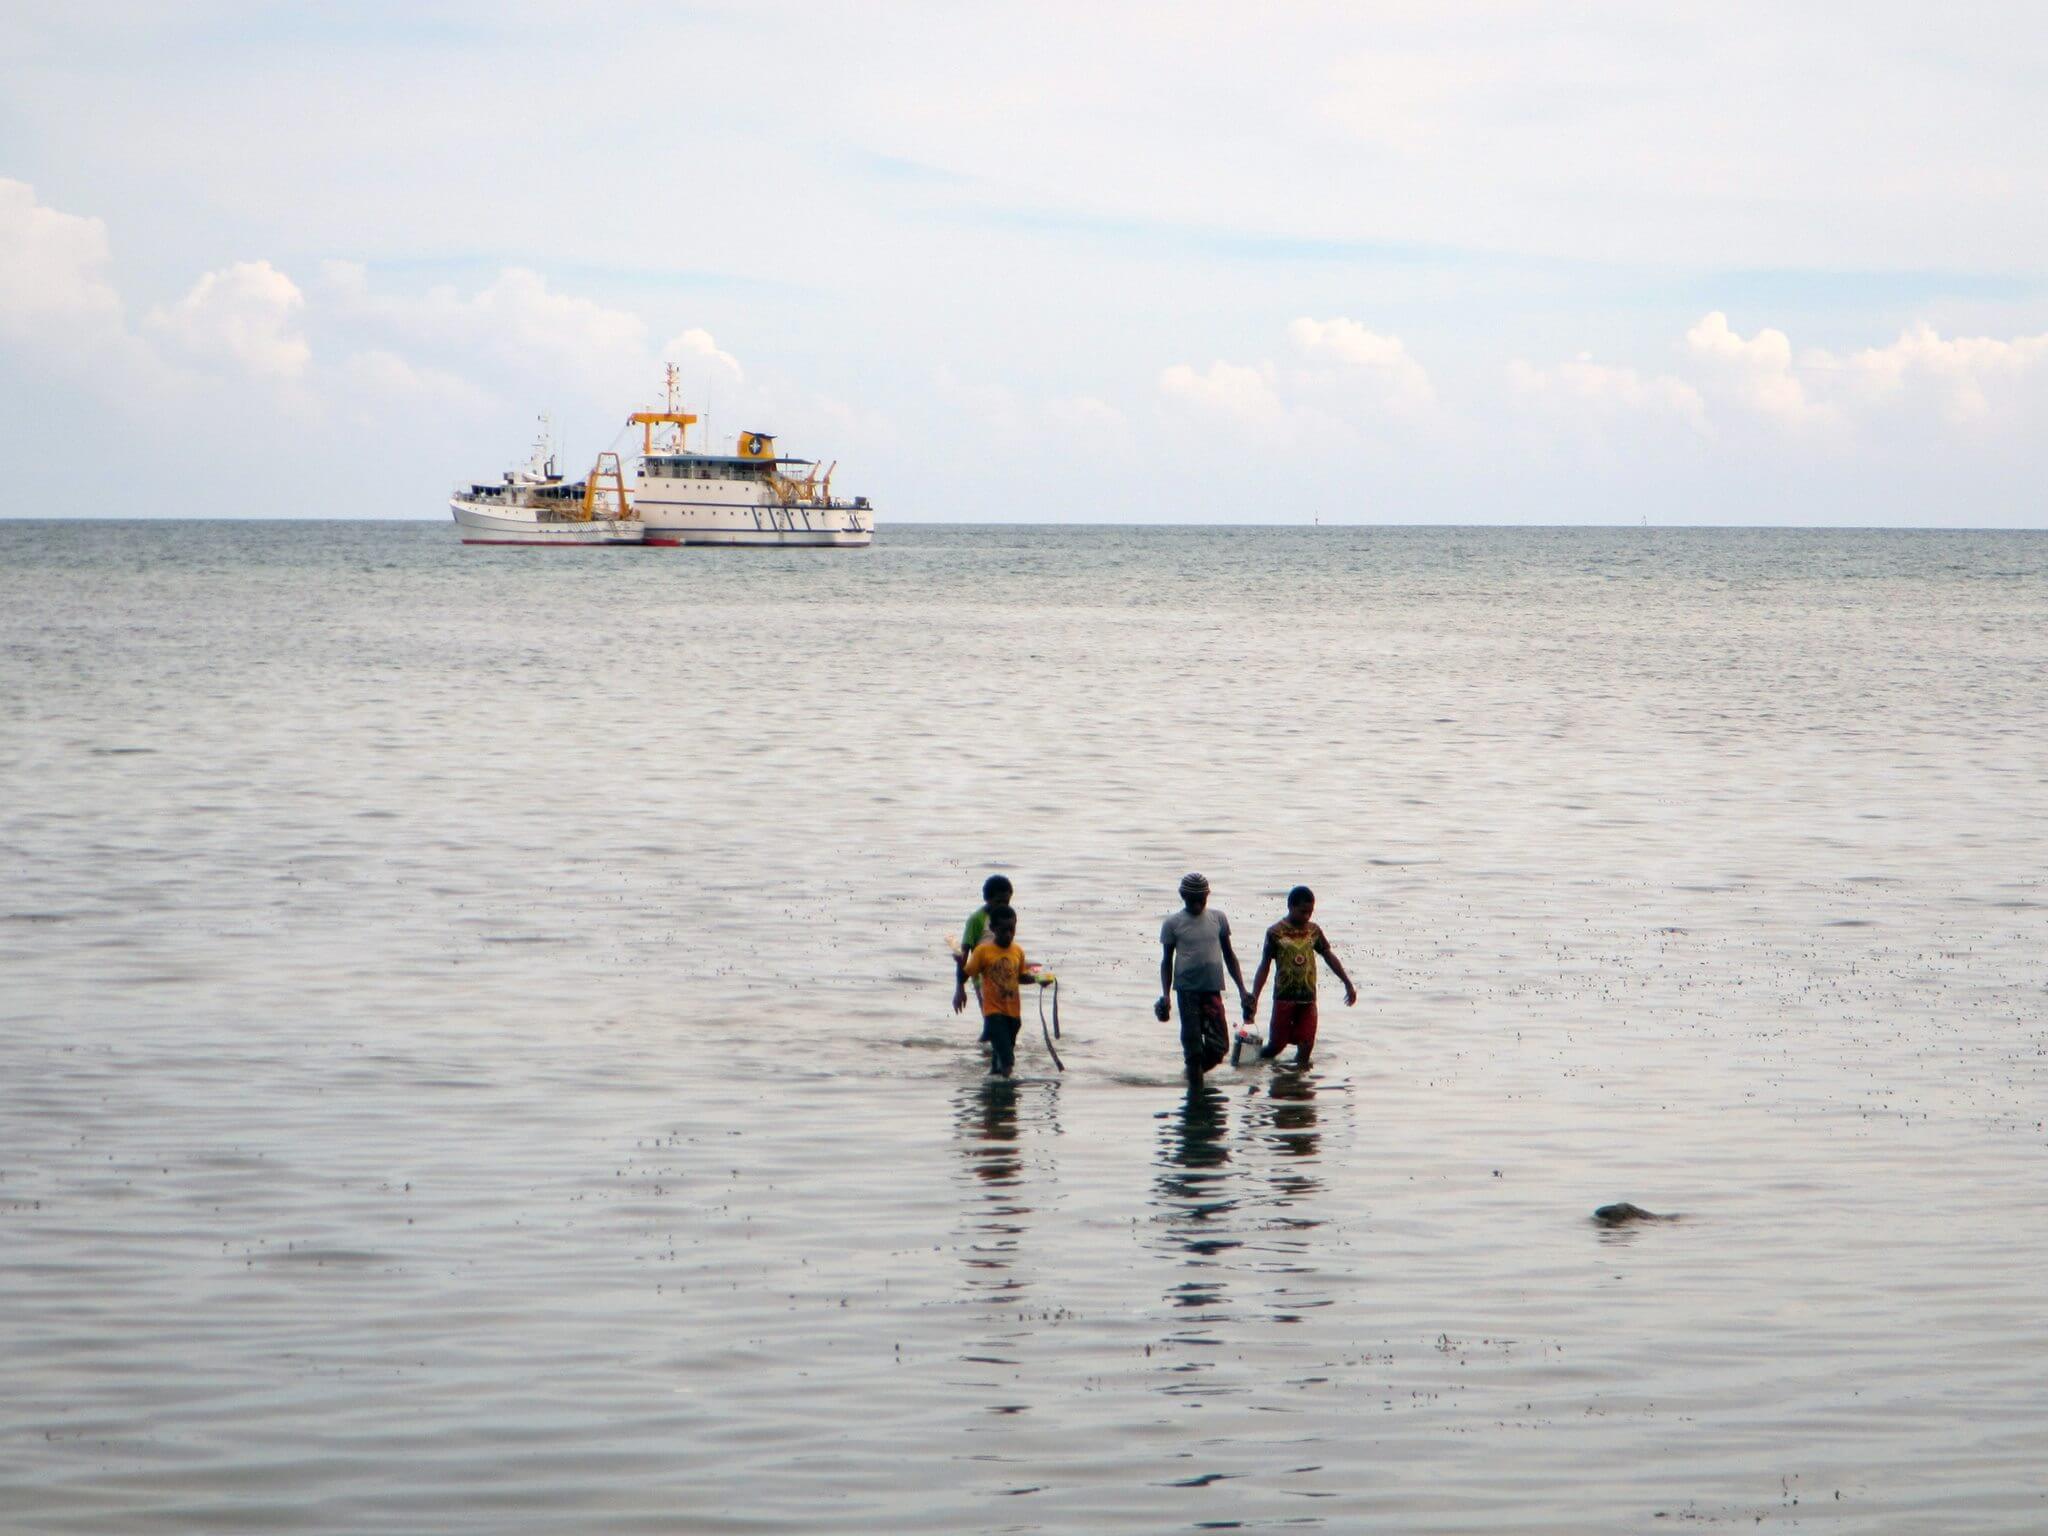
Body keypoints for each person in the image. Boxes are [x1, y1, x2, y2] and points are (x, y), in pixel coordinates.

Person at [1244, 885, 1357, 1069]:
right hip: (1284, 998)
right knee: (1276, 1046)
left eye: (1310, 912)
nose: (1307, 916)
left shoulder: (1314, 931)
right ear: (1290, 906)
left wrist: (1347, 983)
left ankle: (1298, 1080)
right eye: (1303, 911)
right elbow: (1264, 966)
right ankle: (1250, 1063)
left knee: (1306, 1046)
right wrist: (1254, 996)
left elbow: (1328, 956)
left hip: (1308, 998)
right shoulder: (1275, 932)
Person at [1156, 872, 1250, 1081]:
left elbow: (1229, 956)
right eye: (1192, 900)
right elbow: (1166, 962)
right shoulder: (1173, 923)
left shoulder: (1218, 919)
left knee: (1220, 1048)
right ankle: (1194, 1078)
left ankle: (1191, 1076)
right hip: (1187, 992)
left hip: (1212, 990)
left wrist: (1243, 990)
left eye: (1201, 900)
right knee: (1193, 1049)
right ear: (1183, 896)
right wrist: (1166, 995)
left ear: (1207, 896)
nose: (1197, 905)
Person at [959, 903, 1028, 1078]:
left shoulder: (1018, 951)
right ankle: (1008, 1085)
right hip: (993, 1012)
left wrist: (1039, 980)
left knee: (1001, 1053)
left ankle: (993, 1081)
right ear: (993, 929)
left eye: (1011, 930)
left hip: (1013, 1013)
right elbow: (967, 973)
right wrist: (960, 980)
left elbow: (1021, 977)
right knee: (1007, 1058)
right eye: (1004, 930)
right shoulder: (983, 951)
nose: (1008, 934)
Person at [953, 874, 1014, 1016]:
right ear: (987, 899)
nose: (1003, 906)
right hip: (983, 978)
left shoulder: (1008, 917)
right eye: (999, 902)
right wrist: (960, 988)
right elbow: (963, 956)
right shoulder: (976, 920)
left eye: (1007, 902)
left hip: (1005, 976)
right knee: (992, 1017)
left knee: (1008, 1019)